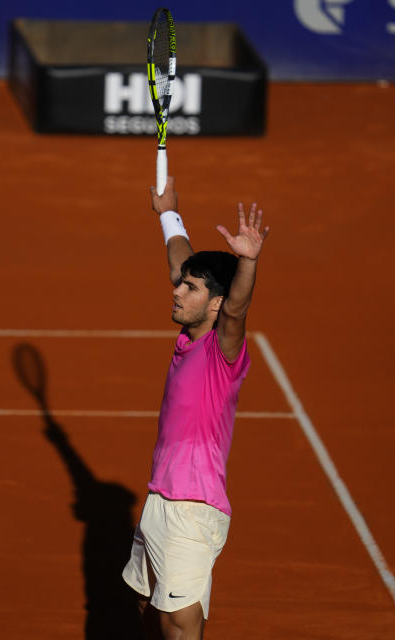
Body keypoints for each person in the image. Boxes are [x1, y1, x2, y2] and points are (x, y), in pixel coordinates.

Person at [122, 176, 271, 639]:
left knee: (179, 629)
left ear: (216, 304)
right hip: (160, 499)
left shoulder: (222, 352)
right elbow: (178, 260)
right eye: (181, 284)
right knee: (144, 607)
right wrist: (168, 213)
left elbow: (238, 308)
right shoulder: (190, 335)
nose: (176, 291)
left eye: (189, 288)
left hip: (191, 509)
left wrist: (247, 262)